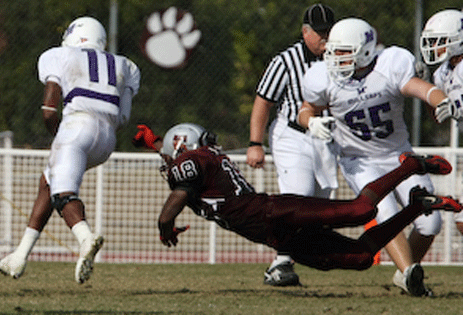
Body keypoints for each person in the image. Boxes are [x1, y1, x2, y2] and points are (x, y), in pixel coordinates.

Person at [139, 123, 461, 293]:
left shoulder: (192, 161)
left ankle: (410, 166)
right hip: (278, 236)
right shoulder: (196, 158)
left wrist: (164, 227)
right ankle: (417, 205)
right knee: (361, 258)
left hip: (274, 213)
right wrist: (156, 145)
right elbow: (178, 160)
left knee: (361, 210)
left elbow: (173, 203)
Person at [297, 17, 455, 296]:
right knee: (387, 215)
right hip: (359, 160)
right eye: (334, 50)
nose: (336, 57)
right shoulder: (324, 78)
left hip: (398, 156)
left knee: (431, 222)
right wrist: (311, 122)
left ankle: (405, 272)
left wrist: (440, 100)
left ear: (366, 50)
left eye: (344, 51)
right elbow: (306, 108)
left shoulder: (389, 66)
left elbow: (420, 88)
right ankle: (410, 276)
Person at [0, 16, 140, 283]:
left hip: (76, 127)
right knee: (48, 184)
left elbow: (49, 110)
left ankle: (86, 238)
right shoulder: (125, 65)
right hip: (107, 138)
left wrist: (61, 136)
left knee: (63, 194)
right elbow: (124, 118)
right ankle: (19, 257)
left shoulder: (60, 55)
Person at [246, 3, 337, 287]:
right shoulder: (285, 61)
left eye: (329, 32)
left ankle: (307, 254)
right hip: (293, 136)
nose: (325, 38)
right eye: (319, 33)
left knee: (320, 205)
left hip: (326, 138)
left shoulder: (340, 56)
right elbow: (263, 101)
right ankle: (280, 262)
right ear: (304, 32)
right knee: (298, 195)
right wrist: (255, 143)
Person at [420, 9, 463, 236]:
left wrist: (457, 108)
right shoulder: (443, 72)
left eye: (440, 41)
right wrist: (426, 86)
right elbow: (436, 117)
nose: (434, 47)